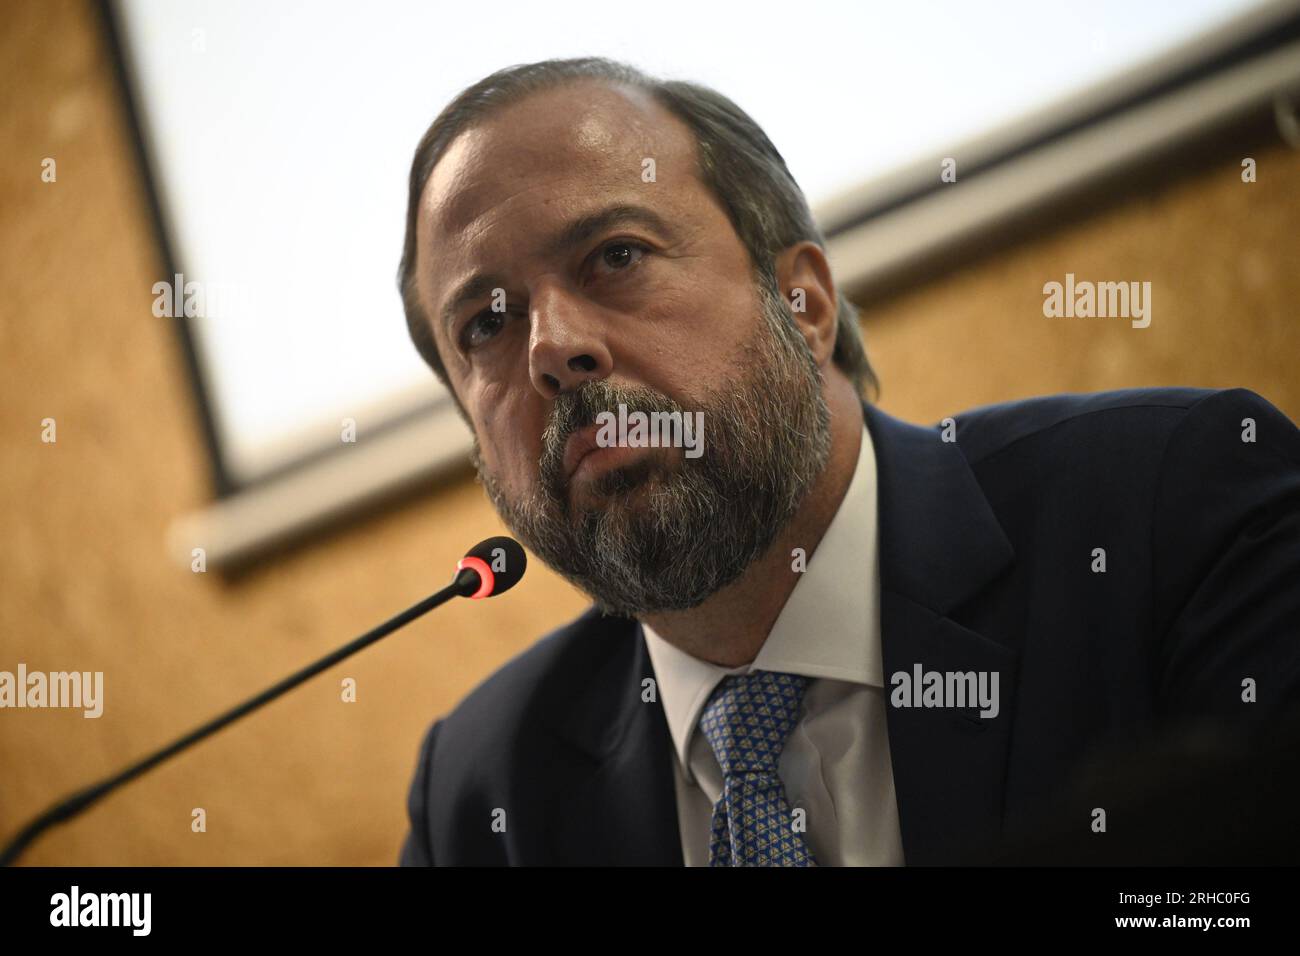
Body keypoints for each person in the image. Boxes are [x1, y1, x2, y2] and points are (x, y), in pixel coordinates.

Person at [395, 57, 1300, 866]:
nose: (552, 347)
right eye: (486, 324)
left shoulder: (1175, 510)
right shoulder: (481, 797)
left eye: (616, 256)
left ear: (806, 305)